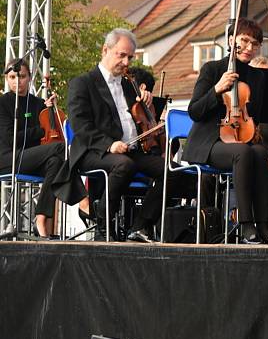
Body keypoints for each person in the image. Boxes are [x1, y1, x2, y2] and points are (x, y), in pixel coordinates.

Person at [66, 28, 169, 242]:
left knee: (171, 171)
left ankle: (140, 226)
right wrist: (109, 145)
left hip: (130, 150)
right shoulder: (82, 83)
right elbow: (80, 125)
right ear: (105, 50)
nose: (126, 62)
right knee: (124, 165)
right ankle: (102, 225)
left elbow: (139, 118)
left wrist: (147, 105)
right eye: (121, 55)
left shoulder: (128, 84)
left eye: (130, 57)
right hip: (93, 150)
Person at [183, 18, 268, 243]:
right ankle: (245, 225)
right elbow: (194, 111)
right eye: (244, 41)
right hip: (209, 142)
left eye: (255, 44)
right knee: (242, 153)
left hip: (239, 136)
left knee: (261, 153)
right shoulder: (212, 69)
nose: (248, 48)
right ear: (231, 40)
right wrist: (217, 90)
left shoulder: (258, 77)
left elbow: (256, 116)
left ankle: (263, 224)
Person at [0, 61, 70, 237]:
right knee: (62, 149)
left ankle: (40, 217)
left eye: (22, 76)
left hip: (32, 158)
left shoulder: (39, 104)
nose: (18, 81)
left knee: (56, 162)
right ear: (6, 79)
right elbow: (10, 139)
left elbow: (52, 133)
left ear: (30, 78)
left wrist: (52, 112)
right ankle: (82, 200)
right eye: (12, 77)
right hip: (8, 158)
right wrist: (39, 131)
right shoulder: (3, 103)